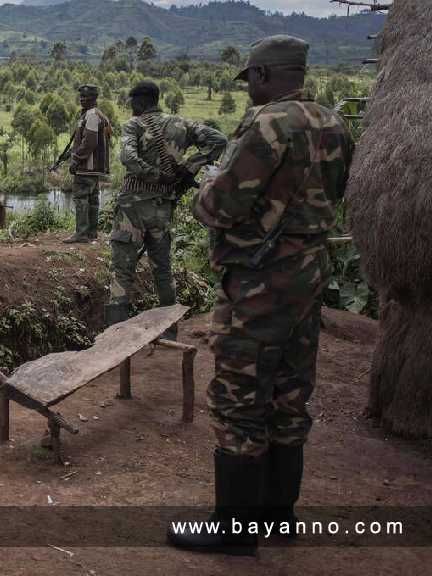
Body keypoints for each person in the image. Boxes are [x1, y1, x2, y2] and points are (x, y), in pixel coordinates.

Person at [167, 35, 354, 555]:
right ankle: (276, 517)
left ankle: (233, 530)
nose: (249, 87)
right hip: (308, 274)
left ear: (265, 76)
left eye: (249, 77)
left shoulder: (268, 124)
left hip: (259, 280)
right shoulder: (334, 122)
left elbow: (219, 207)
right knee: (291, 391)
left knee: (239, 395)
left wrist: (207, 182)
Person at [105, 81, 226, 335]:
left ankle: (114, 338)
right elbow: (218, 140)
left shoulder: (134, 125)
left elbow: (127, 157)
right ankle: (170, 332)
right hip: (162, 209)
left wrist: (153, 174)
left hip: (133, 208)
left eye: (132, 102)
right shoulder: (181, 124)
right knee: (162, 269)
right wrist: (189, 166)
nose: (131, 107)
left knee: (122, 271)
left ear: (140, 101)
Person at [63, 84, 112, 244]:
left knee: (81, 198)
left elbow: (89, 142)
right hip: (95, 168)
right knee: (93, 199)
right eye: (81, 97)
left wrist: (75, 159)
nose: (82, 100)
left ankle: (82, 233)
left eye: (86, 97)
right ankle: (91, 233)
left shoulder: (91, 115)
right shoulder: (99, 114)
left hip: (86, 167)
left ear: (93, 99)